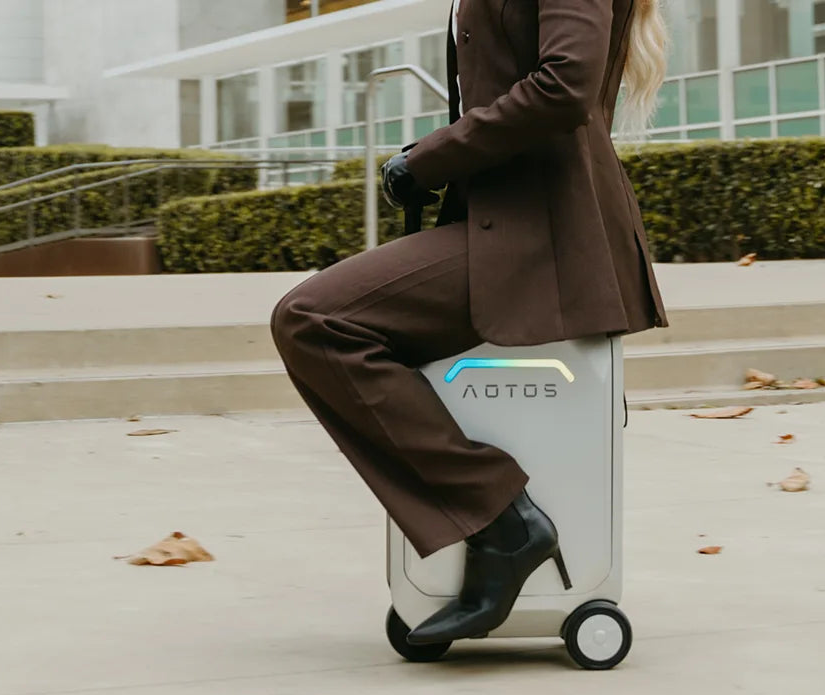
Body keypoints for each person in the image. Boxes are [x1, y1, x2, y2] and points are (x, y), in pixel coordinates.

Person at [270, 0, 669, 647]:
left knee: (314, 320)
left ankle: (503, 523)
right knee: (318, 320)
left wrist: (432, 158)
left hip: (542, 238)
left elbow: (565, 84)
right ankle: (495, 523)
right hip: (503, 225)